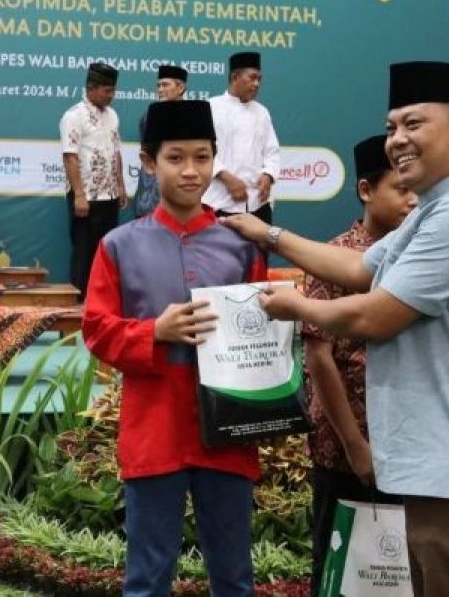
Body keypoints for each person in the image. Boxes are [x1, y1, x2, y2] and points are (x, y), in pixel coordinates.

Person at [223, 61, 449, 597]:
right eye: (393, 127)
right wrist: (268, 233)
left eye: (414, 124)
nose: (398, 140)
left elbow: (376, 313)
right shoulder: (436, 205)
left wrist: (297, 308)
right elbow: (359, 268)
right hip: (443, 458)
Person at [82, 99, 266, 597]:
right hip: (154, 434)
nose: (192, 171)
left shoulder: (241, 246)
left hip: (227, 434)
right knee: (146, 578)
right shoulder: (119, 245)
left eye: (203, 157)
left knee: (234, 578)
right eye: (176, 158)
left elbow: (261, 336)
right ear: (147, 162)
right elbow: (96, 330)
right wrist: (152, 333)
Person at [303, 134, 417, 594]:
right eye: (400, 189)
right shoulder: (334, 259)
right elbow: (320, 358)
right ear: (367, 191)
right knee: (339, 569)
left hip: (411, 448)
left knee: (399, 574)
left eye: (417, 190)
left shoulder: (420, 257)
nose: (412, 200)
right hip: (345, 449)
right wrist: (354, 445)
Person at [61, 62, 128, 299]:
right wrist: (79, 195)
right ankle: (78, 307)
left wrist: (120, 185)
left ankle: (102, 302)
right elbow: (70, 157)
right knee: (83, 253)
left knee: (106, 252)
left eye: (113, 90)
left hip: (108, 196)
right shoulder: (73, 116)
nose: (111, 96)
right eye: (107, 91)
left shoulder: (112, 115)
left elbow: (116, 150)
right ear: (91, 88)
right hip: (85, 197)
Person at [205, 51, 280, 222]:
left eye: (259, 79)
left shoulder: (262, 112)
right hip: (219, 203)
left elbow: (272, 152)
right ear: (235, 77)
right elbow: (202, 151)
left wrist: (268, 175)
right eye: (252, 78)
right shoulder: (210, 107)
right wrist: (227, 178)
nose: (256, 84)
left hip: (257, 205)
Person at [134, 64, 188, 218]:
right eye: (158, 85)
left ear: (180, 87)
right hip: (153, 188)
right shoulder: (150, 115)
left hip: (182, 187)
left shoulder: (192, 116)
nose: (160, 89)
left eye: (165, 85)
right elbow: (149, 154)